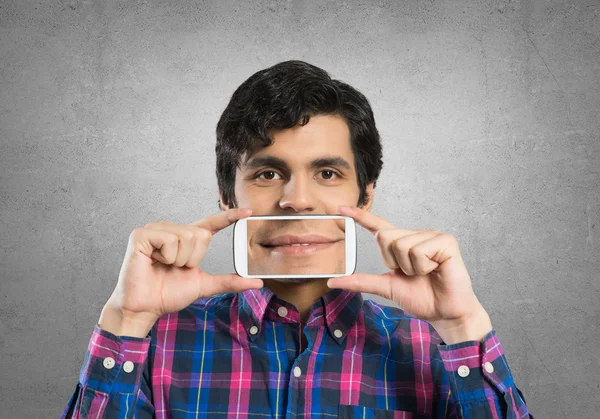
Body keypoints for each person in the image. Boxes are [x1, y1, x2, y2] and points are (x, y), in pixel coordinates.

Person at [61, 60, 532, 418]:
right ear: (227, 196)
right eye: (268, 172)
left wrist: (463, 325)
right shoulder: (148, 343)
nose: (297, 200)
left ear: (365, 195)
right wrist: (128, 318)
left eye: (327, 172)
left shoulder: (438, 346)